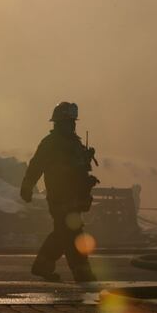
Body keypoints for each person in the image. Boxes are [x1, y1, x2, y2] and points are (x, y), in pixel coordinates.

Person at [19, 102, 98, 282]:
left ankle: (43, 265)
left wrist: (85, 166)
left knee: (63, 233)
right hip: (60, 196)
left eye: (73, 122)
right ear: (59, 123)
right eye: (68, 122)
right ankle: (81, 272)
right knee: (72, 233)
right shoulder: (50, 144)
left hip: (75, 197)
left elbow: (78, 169)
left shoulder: (74, 144)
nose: (72, 125)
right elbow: (36, 165)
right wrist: (27, 186)